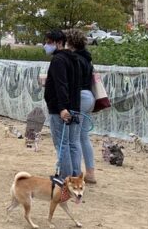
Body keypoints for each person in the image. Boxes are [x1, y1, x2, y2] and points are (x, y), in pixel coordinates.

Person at [43, 29, 82, 179]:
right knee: (72, 142)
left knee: (62, 143)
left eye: (49, 42)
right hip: (74, 105)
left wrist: (62, 108)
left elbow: (61, 85)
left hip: (61, 108)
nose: (46, 46)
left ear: (59, 43)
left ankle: (65, 177)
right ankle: (75, 175)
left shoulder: (58, 60)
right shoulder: (74, 59)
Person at [67, 29, 97, 184]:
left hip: (78, 97)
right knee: (84, 137)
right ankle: (90, 172)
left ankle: (77, 173)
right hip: (89, 97)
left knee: (74, 138)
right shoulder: (87, 58)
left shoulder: (74, 59)